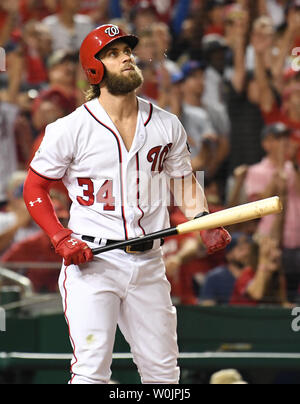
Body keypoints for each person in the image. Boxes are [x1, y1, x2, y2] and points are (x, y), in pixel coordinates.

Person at [23, 24, 231, 385]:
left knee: (164, 376)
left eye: (128, 52)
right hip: (93, 263)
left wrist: (204, 221)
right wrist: (59, 237)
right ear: (94, 68)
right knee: (91, 373)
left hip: (150, 262)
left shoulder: (167, 124)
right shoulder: (70, 128)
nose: (127, 58)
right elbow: (34, 186)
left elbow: (183, 182)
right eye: (115, 53)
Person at [244, 123, 300, 302]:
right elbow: (257, 208)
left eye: (285, 137)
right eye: (278, 138)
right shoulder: (256, 171)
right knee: (270, 293)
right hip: (271, 242)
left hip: (296, 240)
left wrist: (291, 165)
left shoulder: (294, 169)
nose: (284, 142)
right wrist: (276, 180)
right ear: (266, 144)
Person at [199, 233, 252, 306]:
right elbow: (206, 306)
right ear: (228, 255)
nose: (247, 253)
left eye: (249, 249)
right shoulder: (215, 277)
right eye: (241, 249)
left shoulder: (255, 275)